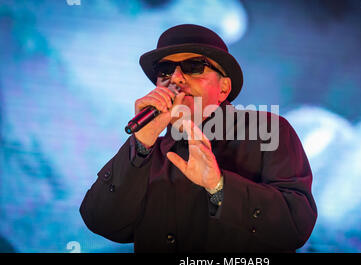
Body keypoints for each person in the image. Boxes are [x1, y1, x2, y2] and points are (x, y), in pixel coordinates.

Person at [79, 24, 317, 253]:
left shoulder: (267, 129)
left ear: (223, 88)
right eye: (165, 71)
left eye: (194, 66)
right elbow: (101, 221)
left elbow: (296, 224)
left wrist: (219, 186)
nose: (176, 78)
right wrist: (140, 145)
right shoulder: (146, 153)